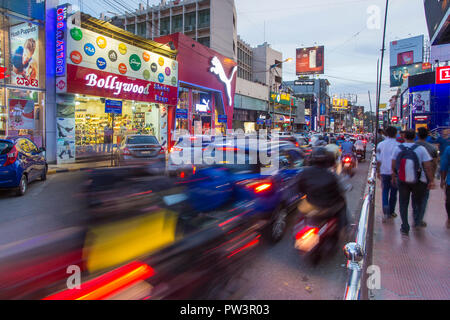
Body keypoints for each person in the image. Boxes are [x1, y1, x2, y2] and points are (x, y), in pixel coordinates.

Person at [391, 129, 435, 235]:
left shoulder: (398, 148)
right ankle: (417, 220)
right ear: (414, 136)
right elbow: (428, 167)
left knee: (403, 203)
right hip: (419, 180)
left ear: (404, 136)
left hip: (402, 180)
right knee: (418, 202)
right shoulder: (421, 149)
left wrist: (394, 176)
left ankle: (405, 226)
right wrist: (431, 180)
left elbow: (393, 164)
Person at [297, 147, 348, 234]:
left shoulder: (305, 172)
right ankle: (344, 229)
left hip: (310, 203)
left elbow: (300, 188)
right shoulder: (331, 174)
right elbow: (338, 190)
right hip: (326, 206)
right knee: (342, 204)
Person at [413, 127, 439, 227]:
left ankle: (416, 217)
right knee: (424, 198)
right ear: (427, 135)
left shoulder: (413, 146)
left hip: (414, 175)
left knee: (414, 198)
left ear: (417, 135)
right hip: (427, 176)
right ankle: (419, 219)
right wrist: (432, 178)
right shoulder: (432, 148)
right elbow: (435, 164)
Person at [376, 126, 400, 222]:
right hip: (395, 172)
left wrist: (378, 171)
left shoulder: (381, 145)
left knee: (385, 191)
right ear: (395, 134)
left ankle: (386, 211)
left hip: (384, 171)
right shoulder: (398, 145)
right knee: (394, 192)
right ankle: (391, 211)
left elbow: (378, 160)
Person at [440, 145, 450, 228]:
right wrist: (443, 179)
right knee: (448, 202)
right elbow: (444, 165)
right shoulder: (448, 149)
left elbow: (444, 165)